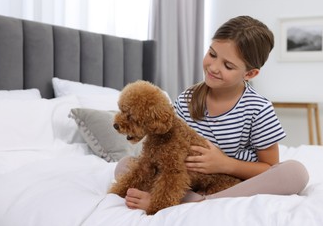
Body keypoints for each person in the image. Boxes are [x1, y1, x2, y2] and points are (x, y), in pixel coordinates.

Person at [115, 15, 309, 212]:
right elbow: (165, 146)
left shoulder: (258, 108)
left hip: (235, 181)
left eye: (228, 65)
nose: (214, 67)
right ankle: (193, 199)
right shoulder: (186, 99)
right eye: (212, 54)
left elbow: (269, 167)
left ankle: (199, 201)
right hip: (183, 180)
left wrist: (225, 164)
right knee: (124, 166)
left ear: (249, 74)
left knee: (295, 173)